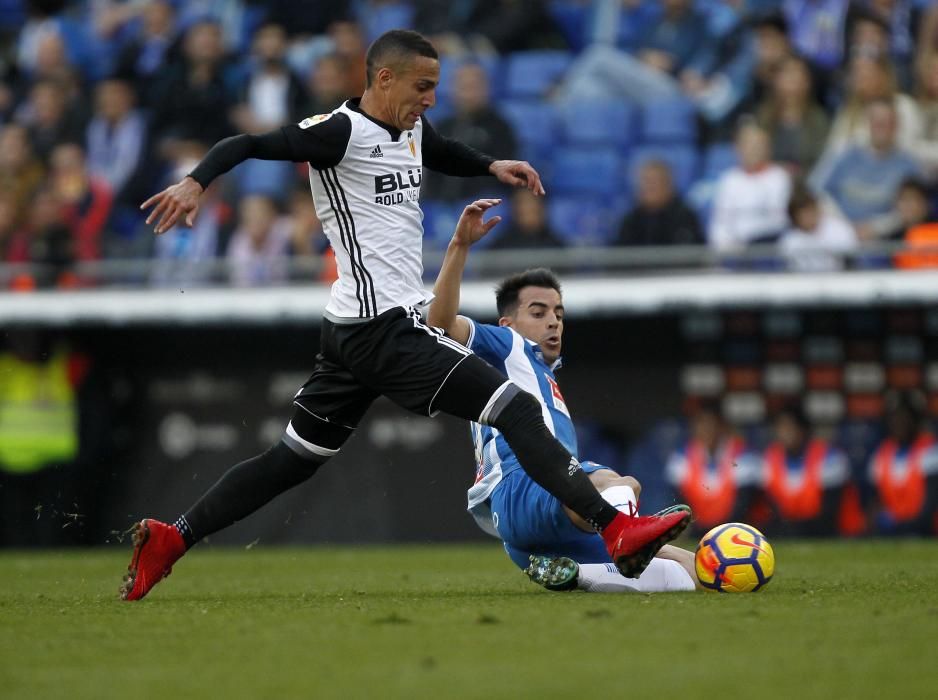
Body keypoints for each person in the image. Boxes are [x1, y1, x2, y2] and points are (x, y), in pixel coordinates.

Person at [123, 29, 690, 601]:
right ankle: (616, 530)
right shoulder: (339, 133)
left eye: (436, 88)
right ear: (383, 78)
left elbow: (439, 149)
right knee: (515, 408)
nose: (431, 100)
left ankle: (173, 538)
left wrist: (493, 165)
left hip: (351, 330)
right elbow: (247, 143)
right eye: (423, 87)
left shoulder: (412, 128)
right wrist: (196, 183)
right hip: (384, 328)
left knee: (290, 460)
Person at [427, 199, 697, 594]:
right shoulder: (506, 345)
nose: (553, 321)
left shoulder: (536, 372)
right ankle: (629, 529)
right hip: (525, 487)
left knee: (688, 571)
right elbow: (440, 324)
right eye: (538, 312)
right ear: (508, 322)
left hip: (529, 534)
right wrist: (459, 247)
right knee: (617, 483)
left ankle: (577, 572)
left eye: (559, 313)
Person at [708, 121, 791, 252]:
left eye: (758, 145)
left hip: (770, 246)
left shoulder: (779, 177)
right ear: (737, 148)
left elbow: (779, 219)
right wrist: (727, 246)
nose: (753, 150)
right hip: (735, 250)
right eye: (748, 145)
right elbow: (720, 223)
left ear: (768, 148)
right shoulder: (728, 180)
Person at [867, 390, 938, 535]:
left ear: (915, 420)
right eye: (895, 418)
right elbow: (876, 500)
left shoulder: (930, 450)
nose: (899, 423)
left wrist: (905, 525)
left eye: (905, 418)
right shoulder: (882, 453)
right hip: (892, 532)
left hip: (927, 532)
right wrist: (878, 520)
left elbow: (931, 504)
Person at [615, 160, 703, 247]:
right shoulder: (631, 220)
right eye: (646, 182)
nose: (649, 188)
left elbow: (692, 253)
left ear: (668, 184)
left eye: (654, 182)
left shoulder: (685, 217)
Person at [779, 183, 857, 272]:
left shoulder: (839, 229)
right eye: (803, 214)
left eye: (811, 211)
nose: (809, 217)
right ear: (795, 218)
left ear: (817, 209)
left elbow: (850, 262)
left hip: (838, 281)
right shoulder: (789, 241)